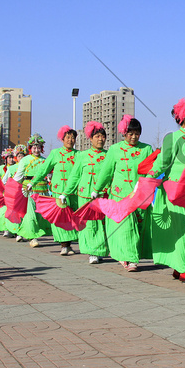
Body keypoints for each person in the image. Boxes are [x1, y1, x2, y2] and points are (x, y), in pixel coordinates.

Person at [148, 98, 185, 283]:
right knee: (182, 230)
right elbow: (162, 162)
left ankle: (178, 265)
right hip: (175, 192)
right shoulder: (172, 138)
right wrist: (148, 178)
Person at [97, 115, 153, 271]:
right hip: (120, 196)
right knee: (126, 228)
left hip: (140, 196)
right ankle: (131, 259)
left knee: (140, 229)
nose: (134, 137)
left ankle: (128, 255)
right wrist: (97, 189)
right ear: (124, 133)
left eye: (137, 133)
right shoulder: (115, 150)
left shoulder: (146, 149)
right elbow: (106, 172)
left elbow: (153, 170)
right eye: (130, 133)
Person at [61, 122, 109, 264]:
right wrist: (65, 193)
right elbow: (75, 176)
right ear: (90, 138)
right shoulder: (82, 156)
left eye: (103, 136)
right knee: (88, 225)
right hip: (84, 195)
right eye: (97, 136)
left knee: (102, 224)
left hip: (102, 196)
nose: (100, 139)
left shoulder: (109, 155)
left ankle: (100, 250)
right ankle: (91, 252)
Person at [29, 126, 79, 255]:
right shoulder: (55, 153)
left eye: (73, 138)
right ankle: (64, 245)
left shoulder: (79, 155)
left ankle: (68, 244)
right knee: (61, 218)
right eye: (68, 137)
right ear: (62, 139)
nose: (70, 140)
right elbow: (44, 169)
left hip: (74, 191)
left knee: (73, 217)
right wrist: (32, 182)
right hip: (58, 191)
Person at [15, 134, 53, 246]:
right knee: (30, 213)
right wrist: (13, 188)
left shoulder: (45, 160)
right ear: (30, 149)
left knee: (40, 215)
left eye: (38, 147)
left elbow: (49, 175)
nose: (36, 150)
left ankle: (27, 232)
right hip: (28, 189)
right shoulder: (25, 160)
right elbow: (18, 176)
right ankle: (32, 237)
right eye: (34, 147)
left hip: (43, 190)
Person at [0, 144, 27, 238]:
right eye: (19, 156)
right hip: (14, 192)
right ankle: (11, 230)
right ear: (16, 157)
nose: (21, 158)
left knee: (24, 212)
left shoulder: (28, 166)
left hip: (24, 192)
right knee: (13, 211)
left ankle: (21, 232)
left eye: (23, 156)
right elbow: (4, 181)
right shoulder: (11, 168)